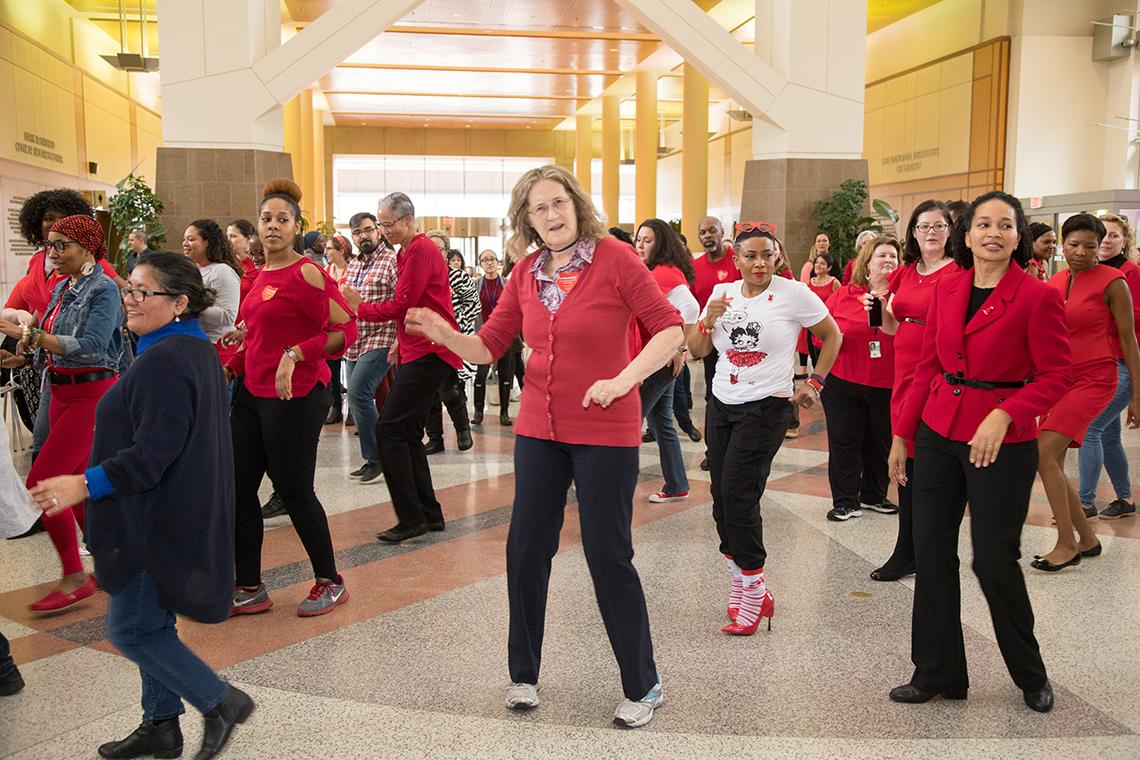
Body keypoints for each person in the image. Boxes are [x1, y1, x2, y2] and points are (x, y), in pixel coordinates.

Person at [405, 164, 683, 728]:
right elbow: (488, 345)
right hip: (538, 431)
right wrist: (443, 333)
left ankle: (643, 682)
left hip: (605, 432)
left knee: (609, 554)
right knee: (526, 549)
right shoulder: (527, 271)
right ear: (526, 220)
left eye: (559, 202)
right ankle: (523, 674)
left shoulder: (615, 259)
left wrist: (623, 380)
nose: (551, 215)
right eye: (539, 208)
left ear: (576, 205)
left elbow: (671, 330)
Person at [29, 252, 253, 760]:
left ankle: (221, 702)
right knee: (152, 623)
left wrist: (81, 485)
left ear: (178, 303)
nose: (129, 300)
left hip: (154, 521)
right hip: (171, 512)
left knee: (131, 628)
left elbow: (151, 457)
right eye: (128, 289)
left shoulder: (167, 360)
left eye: (141, 292)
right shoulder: (188, 349)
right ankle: (160, 725)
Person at [887, 191, 1070, 714]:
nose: (994, 233)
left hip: (1001, 443)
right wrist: (903, 434)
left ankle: (1029, 673)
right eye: (983, 224)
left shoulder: (1037, 297)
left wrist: (1008, 411)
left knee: (993, 560)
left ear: (1019, 236)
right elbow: (927, 366)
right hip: (939, 432)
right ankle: (938, 673)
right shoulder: (948, 287)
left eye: (1006, 225)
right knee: (932, 552)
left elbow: (1057, 375)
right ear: (965, 236)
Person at [687, 225, 841, 636]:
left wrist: (815, 382)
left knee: (739, 494)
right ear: (736, 260)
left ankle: (754, 590)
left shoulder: (794, 293)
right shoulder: (723, 295)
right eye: (750, 256)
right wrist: (706, 322)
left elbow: (831, 336)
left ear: (778, 257)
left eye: (766, 255)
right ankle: (744, 585)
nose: (759, 263)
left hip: (767, 407)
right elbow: (698, 350)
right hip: (721, 405)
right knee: (721, 499)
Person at [222, 179, 356, 617]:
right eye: (266, 219)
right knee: (239, 489)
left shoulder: (306, 272)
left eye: (283, 219)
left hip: (296, 395)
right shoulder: (260, 276)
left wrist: (295, 353)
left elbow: (344, 330)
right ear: (257, 227)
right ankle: (249, 585)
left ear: (296, 227)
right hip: (252, 395)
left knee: (295, 490)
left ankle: (329, 581)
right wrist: (232, 360)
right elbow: (257, 337)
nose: (273, 226)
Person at [0, 214, 126, 612]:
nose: (52, 253)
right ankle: (112, 563)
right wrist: (20, 356)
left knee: (44, 482)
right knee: (78, 484)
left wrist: (29, 335)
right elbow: (47, 339)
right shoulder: (62, 287)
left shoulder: (103, 289)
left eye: (61, 245)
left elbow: (91, 345)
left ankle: (74, 574)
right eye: (49, 245)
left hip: (93, 394)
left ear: (87, 248)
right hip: (62, 391)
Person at [342, 194, 462, 544]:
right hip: (417, 348)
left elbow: (403, 303)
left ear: (408, 220)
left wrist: (360, 307)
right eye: (381, 223)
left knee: (390, 429)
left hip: (431, 350)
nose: (383, 230)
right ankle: (427, 513)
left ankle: (411, 517)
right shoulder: (405, 252)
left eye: (386, 224)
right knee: (406, 431)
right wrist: (399, 341)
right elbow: (413, 306)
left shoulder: (421, 250)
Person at [1032, 215, 1139, 570]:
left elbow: (1129, 340)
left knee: (1043, 454)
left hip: (1095, 378)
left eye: (1090, 247)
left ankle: (1066, 543)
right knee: (1053, 464)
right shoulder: (1055, 282)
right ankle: (1087, 538)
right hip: (1057, 379)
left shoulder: (1113, 281)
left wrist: (1137, 395)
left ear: (1100, 247)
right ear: (1063, 244)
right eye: (1074, 245)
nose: (1081, 253)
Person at [870, 200, 958, 582]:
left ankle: (923, 548)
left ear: (952, 232)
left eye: (940, 226)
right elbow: (892, 328)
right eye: (924, 226)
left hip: (937, 373)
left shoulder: (959, 272)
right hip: (903, 374)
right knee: (904, 460)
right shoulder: (906, 273)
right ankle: (907, 548)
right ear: (914, 233)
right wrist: (880, 307)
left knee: (926, 462)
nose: (932, 233)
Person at [821, 237, 899, 521]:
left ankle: (874, 495)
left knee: (880, 443)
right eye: (882, 256)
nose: (888, 260)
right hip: (844, 382)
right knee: (845, 442)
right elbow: (823, 334)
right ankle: (845, 501)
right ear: (867, 264)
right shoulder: (844, 295)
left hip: (888, 384)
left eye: (893, 256)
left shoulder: (904, 297)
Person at [1077, 213, 1140, 520]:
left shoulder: (1131, 274)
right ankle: (1125, 498)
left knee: (1090, 427)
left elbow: (1133, 324)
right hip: (1098, 364)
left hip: (1122, 364)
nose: (1106, 240)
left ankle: (1085, 503)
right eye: (1103, 235)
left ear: (1124, 241)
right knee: (1109, 434)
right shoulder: (1091, 272)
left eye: (1114, 235)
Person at [634, 218, 700, 503]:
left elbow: (691, 308)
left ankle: (602, 483)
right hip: (658, 359)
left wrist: (679, 348)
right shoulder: (655, 271)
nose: (640, 245)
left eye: (647, 240)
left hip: (660, 362)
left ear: (660, 244)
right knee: (661, 423)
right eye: (638, 240)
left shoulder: (663, 273)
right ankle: (677, 484)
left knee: (627, 421)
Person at [342, 212, 398, 484]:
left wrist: (401, 339)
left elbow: (402, 303)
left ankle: (379, 458)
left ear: (378, 230)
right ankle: (374, 458)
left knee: (358, 393)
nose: (363, 236)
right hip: (355, 339)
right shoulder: (353, 265)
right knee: (357, 398)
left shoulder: (391, 261)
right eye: (357, 232)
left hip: (382, 336)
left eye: (367, 230)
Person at [423, 230, 477, 453]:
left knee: (449, 388)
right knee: (428, 393)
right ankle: (435, 438)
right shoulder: (419, 274)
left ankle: (463, 431)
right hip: (424, 342)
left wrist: (457, 324)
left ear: (447, 252)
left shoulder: (457, 276)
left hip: (450, 341)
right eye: (431, 248)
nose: (437, 252)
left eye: (441, 248)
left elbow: (473, 304)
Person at [473, 250, 516, 427]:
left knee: (505, 374)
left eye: (492, 259)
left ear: (498, 262)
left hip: (503, 335)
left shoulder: (507, 284)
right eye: (485, 260)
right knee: (481, 375)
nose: (489, 263)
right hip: (483, 336)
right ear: (480, 264)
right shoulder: (475, 285)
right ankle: (478, 412)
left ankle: (504, 412)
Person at [182, 220, 242, 350]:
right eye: (184, 239)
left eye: (191, 239)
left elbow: (228, 316)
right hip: (195, 341)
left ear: (207, 241)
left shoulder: (222, 271)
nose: (185, 244)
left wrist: (188, 306)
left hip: (217, 345)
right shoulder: (193, 269)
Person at [323, 234, 353, 425]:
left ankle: (353, 409)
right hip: (331, 326)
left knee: (352, 370)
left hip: (350, 324)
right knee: (332, 369)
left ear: (341, 250)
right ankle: (335, 405)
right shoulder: (327, 270)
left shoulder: (353, 270)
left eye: (330, 249)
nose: (326, 252)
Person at [226, 219, 260, 302]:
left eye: (233, 236)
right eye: (227, 237)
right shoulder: (228, 262)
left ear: (248, 238)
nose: (228, 240)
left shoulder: (259, 259)